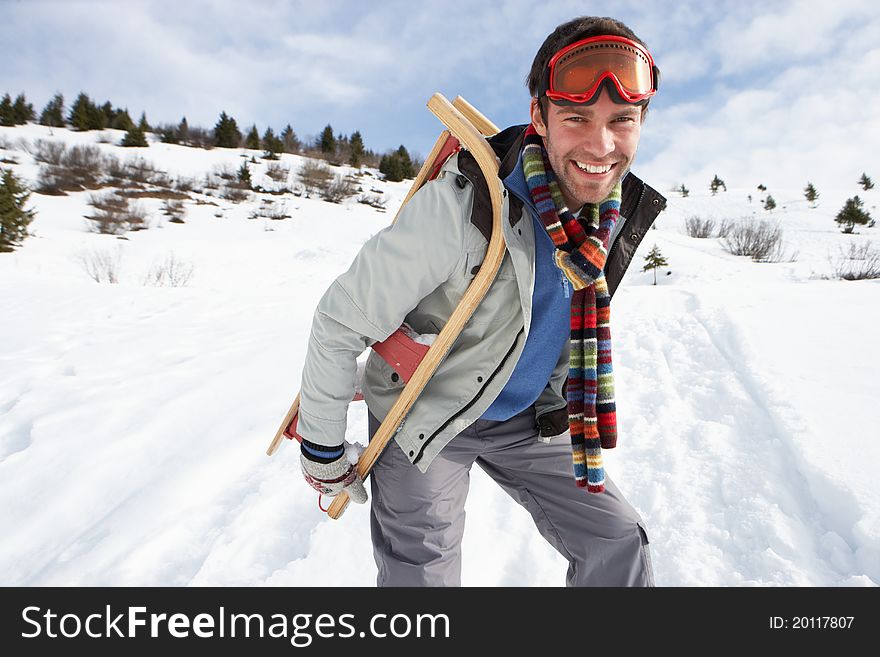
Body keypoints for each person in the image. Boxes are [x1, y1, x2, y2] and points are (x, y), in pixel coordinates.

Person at [297, 15, 666, 586]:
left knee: (617, 542)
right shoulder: (464, 205)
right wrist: (322, 452)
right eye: (576, 118)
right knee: (423, 575)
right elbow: (340, 320)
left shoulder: (606, 221)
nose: (602, 144)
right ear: (539, 116)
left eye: (623, 120)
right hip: (426, 416)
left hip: (525, 416)